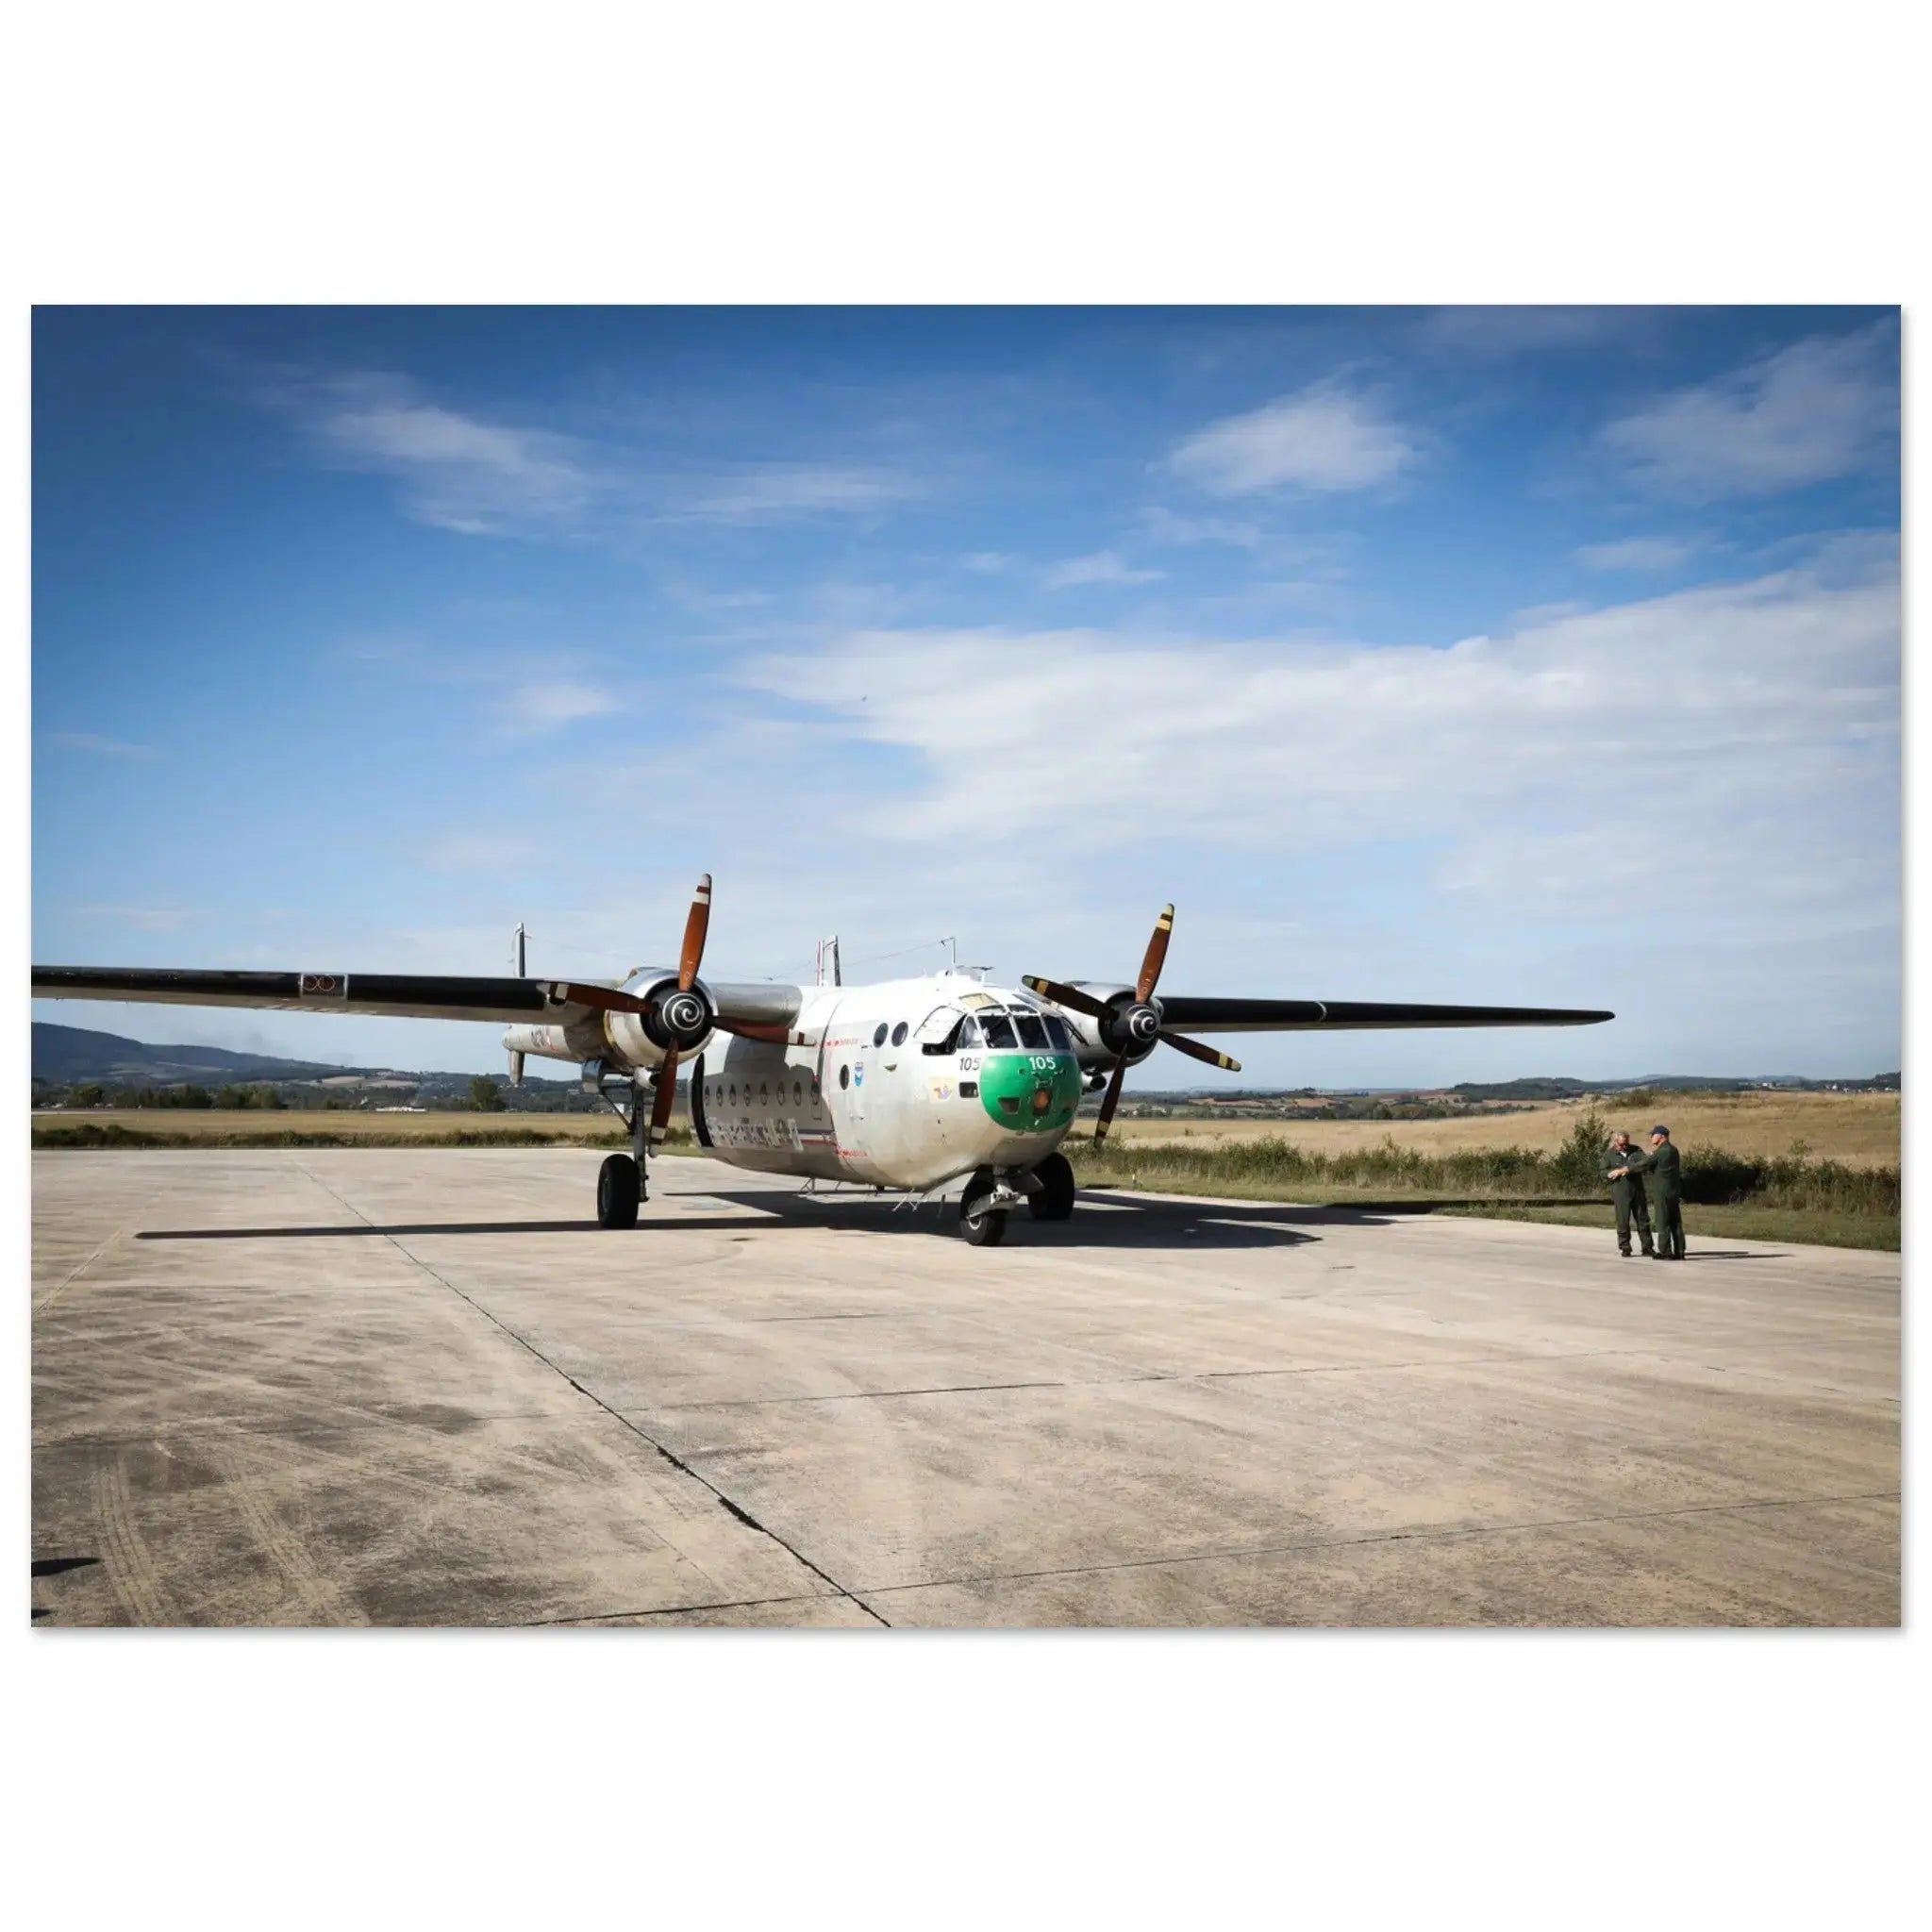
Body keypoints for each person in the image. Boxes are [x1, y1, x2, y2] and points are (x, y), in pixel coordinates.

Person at [1621, 1124, 1686, 1259]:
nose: (1651, 1137)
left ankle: (1665, 1251)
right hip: (1673, 1190)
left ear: (1661, 1136)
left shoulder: (1662, 1151)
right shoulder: (1673, 1150)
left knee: (1663, 1221)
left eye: (1653, 1135)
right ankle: (1680, 1251)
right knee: (1675, 1222)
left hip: (1663, 1190)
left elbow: (1644, 1164)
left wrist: (1625, 1169)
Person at [1602, 1129, 1655, 1257]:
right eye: (1621, 1144)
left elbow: (1645, 1163)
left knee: (1643, 1219)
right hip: (1621, 1192)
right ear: (1616, 1142)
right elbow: (1602, 1171)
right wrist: (1609, 1174)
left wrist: (1629, 1169)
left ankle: (1647, 1247)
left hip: (1637, 1190)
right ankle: (1625, 1247)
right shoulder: (1609, 1154)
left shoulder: (1636, 1151)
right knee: (1623, 1220)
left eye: (1626, 1143)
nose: (1624, 1146)